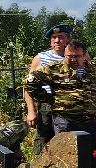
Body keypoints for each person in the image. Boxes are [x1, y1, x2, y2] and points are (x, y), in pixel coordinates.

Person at [27, 40, 96, 139]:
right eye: (69, 56)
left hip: (88, 121)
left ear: (84, 55)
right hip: (64, 120)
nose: (73, 59)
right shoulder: (54, 69)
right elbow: (30, 82)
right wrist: (47, 98)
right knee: (65, 152)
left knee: (89, 152)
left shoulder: (95, 70)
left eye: (77, 56)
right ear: (65, 54)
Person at [24, 22, 72, 154]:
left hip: (69, 105)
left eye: (61, 37)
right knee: (43, 139)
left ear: (67, 39)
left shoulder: (76, 56)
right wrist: (31, 111)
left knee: (66, 140)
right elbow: (28, 86)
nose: (57, 40)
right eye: (54, 37)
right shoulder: (41, 58)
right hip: (46, 105)